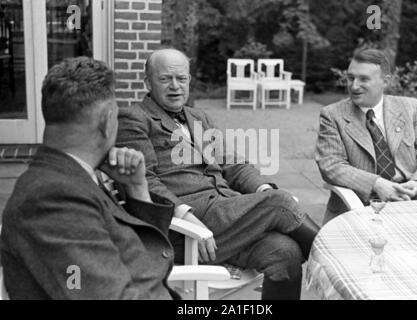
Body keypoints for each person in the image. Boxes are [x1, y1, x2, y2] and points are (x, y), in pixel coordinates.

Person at [116, 48, 320, 300]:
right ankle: (343, 264)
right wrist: (187, 217)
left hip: (227, 217)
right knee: (280, 203)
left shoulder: (198, 117)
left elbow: (232, 164)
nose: (175, 86)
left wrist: (261, 190)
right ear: (148, 82)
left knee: (285, 253)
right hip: (184, 231)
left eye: (182, 79)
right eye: (165, 79)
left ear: (189, 80)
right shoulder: (133, 118)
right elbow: (145, 181)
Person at [0, 57, 179, 299]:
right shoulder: (51, 199)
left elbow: (143, 259)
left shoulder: (74, 176)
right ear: (107, 121)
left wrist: (138, 190)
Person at [315, 48, 417, 224]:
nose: (354, 86)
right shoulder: (332, 115)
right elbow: (331, 166)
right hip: (363, 201)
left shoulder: (410, 108)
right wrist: (377, 184)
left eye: (363, 79)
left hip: (412, 193)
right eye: (350, 78)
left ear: (385, 81)